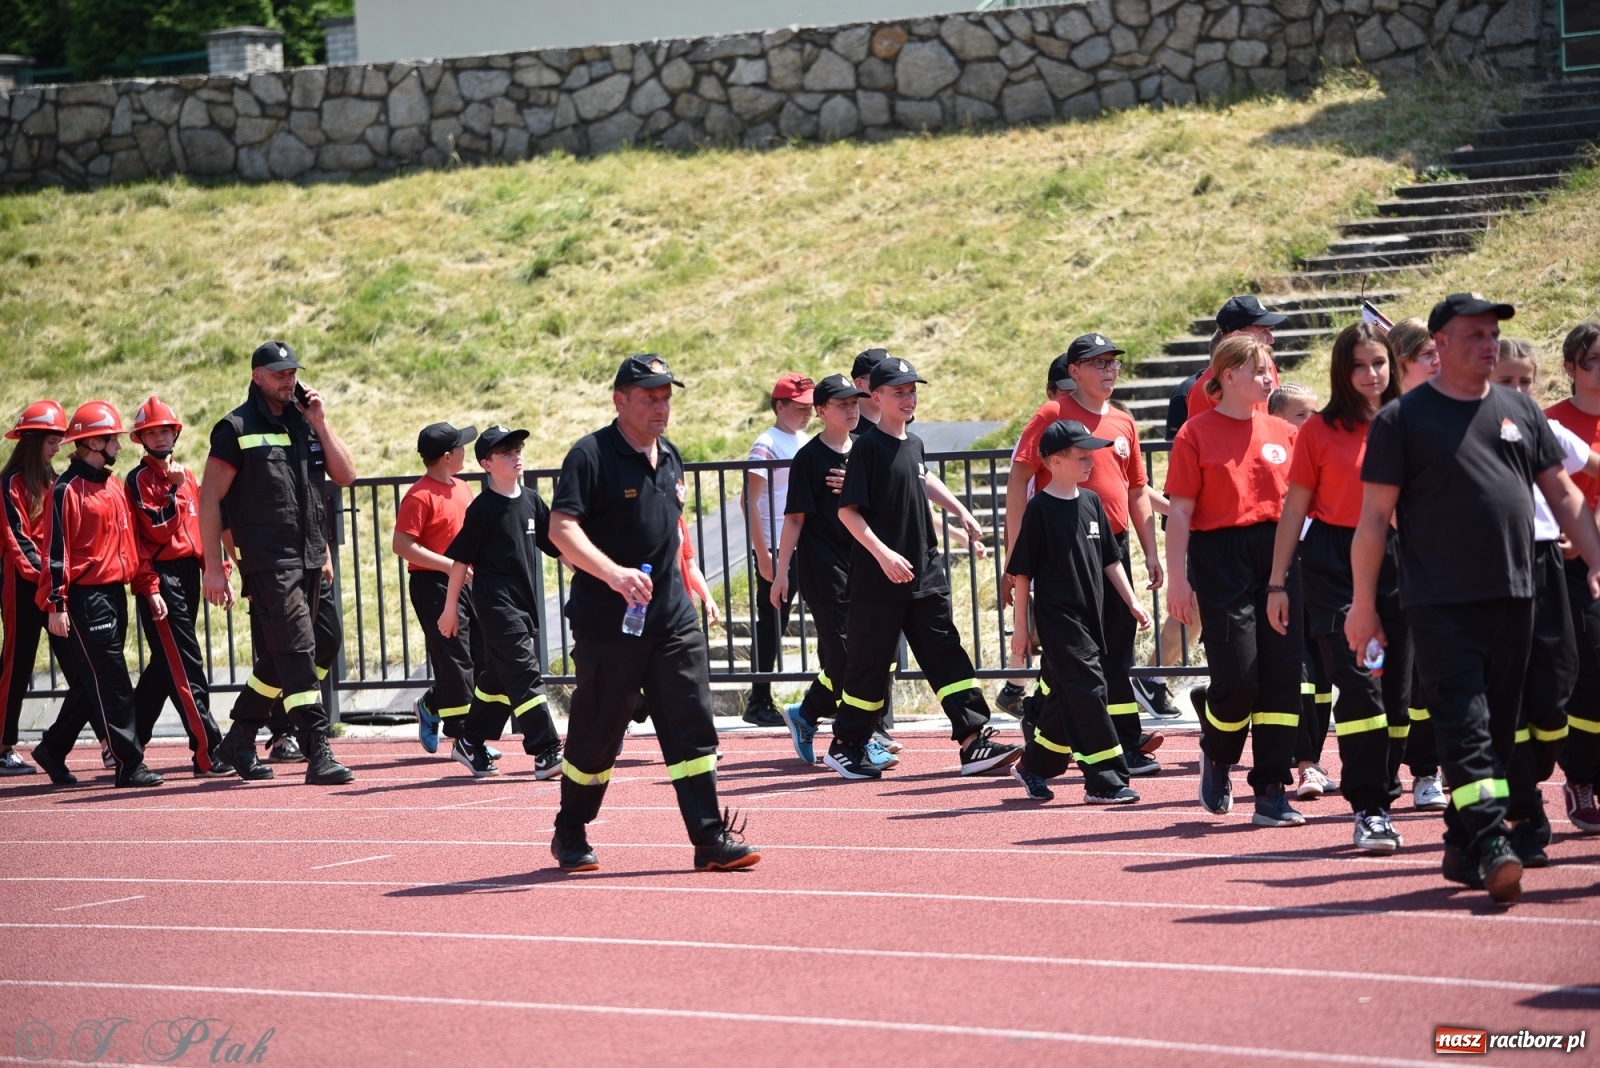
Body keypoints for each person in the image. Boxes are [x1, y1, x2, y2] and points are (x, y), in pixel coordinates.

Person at [1348, 294, 1600, 905]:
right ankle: (1491, 842)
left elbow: (1564, 495)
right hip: (1439, 603)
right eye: (1475, 335)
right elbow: (1375, 520)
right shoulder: (1402, 422)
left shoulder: (1519, 410)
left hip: (1521, 594)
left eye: (1493, 334)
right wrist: (1363, 605)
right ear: (1439, 345)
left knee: (1529, 719)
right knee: (1467, 726)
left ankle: (1462, 844)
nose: (1488, 344)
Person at [547, 354, 759, 873]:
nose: (660, 406)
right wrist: (614, 574)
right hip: (608, 626)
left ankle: (709, 839)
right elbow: (561, 530)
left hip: (672, 622)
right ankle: (570, 830)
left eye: (666, 396)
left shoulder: (671, 457)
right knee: (596, 737)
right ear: (620, 400)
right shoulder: (590, 456)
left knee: (692, 728)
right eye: (649, 397)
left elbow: (674, 530)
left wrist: (695, 584)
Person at [823, 355, 1019, 780]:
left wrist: (959, 510)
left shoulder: (913, 443)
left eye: (912, 391)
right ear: (874, 397)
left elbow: (921, 477)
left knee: (946, 654)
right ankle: (846, 745)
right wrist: (884, 554)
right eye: (899, 392)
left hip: (924, 573)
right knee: (870, 668)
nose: (908, 399)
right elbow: (848, 513)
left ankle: (973, 740)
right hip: (879, 579)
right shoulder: (867, 450)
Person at [1267, 324, 1408, 852]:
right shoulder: (1319, 432)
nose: (1371, 374)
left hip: (1401, 563)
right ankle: (1369, 805)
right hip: (1334, 566)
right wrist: (1277, 584)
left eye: (1379, 363)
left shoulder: (1410, 421)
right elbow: (1294, 510)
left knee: (1397, 695)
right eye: (1359, 365)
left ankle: (1386, 792)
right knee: (1361, 683)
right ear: (1341, 372)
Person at [201, 341, 358, 786]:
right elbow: (209, 497)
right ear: (257, 376)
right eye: (278, 373)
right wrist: (214, 566)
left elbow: (345, 475)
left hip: (310, 557)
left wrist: (321, 424)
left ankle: (240, 737)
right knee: (296, 651)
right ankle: (317, 747)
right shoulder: (235, 427)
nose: (288, 379)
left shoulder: (304, 422)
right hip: (269, 562)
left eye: (292, 372)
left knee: (317, 640)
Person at [1164, 335, 1305, 827]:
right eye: (1260, 369)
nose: (1270, 378)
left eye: (1271, 369)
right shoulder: (1194, 434)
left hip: (1280, 557)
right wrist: (1178, 581)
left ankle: (1270, 790)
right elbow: (1179, 512)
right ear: (1228, 376)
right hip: (1219, 557)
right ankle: (1218, 751)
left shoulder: (1285, 432)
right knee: (1240, 679)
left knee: (1283, 677)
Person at [1006, 335, 1163, 774]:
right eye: (1097, 363)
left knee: (1113, 652)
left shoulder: (1124, 422)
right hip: (1064, 552)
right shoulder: (1054, 413)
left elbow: (1136, 490)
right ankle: (1116, 747)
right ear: (1073, 372)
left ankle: (1071, 737)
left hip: (1111, 549)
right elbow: (1020, 479)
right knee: (1082, 658)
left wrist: (1151, 551)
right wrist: (1013, 554)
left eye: (1113, 362)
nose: (1109, 370)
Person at [1008, 419, 1151, 803]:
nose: (1090, 462)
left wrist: (1132, 601)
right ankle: (1106, 780)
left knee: (1064, 696)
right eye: (1081, 455)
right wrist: (1020, 629)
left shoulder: (1090, 502)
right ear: (1054, 461)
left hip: (1094, 616)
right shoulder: (1039, 510)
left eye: (1092, 454)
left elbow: (1111, 559)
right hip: (1059, 620)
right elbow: (1023, 575)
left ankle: (1032, 766)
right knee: (1090, 689)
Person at [1493, 337, 1593, 866]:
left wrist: (1589, 544)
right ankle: (1522, 805)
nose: (1518, 391)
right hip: (1489, 571)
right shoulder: (1465, 432)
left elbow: (1581, 480)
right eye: (1506, 381)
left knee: (1557, 691)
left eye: (1526, 381)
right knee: (1506, 693)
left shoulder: (1546, 429)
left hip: (1547, 565)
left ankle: (1527, 777)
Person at [30, 401, 165, 789]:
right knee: (113, 681)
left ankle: (53, 748)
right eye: (113, 440)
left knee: (94, 682)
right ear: (93, 442)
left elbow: (131, 543)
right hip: (85, 599)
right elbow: (56, 552)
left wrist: (147, 585)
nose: (119, 447)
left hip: (114, 594)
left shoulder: (111, 484)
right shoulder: (66, 489)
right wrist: (57, 605)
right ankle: (128, 763)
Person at [436, 425, 564, 779]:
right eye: (506, 452)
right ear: (487, 464)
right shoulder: (483, 509)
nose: (516, 455)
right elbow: (461, 561)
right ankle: (546, 749)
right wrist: (450, 610)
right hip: (496, 607)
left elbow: (558, 547)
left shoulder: (533, 500)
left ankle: (470, 741)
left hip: (524, 606)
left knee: (498, 680)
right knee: (524, 673)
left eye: (518, 448)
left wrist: (592, 574)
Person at [124, 397, 233, 777]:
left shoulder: (186, 473)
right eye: (151, 432)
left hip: (187, 572)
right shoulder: (138, 480)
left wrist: (215, 568)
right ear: (141, 438)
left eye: (164, 430)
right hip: (161, 577)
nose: (159, 437)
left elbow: (199, 527)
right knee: (186, 665)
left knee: (164, 665)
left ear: (175, 433)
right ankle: (208, 751)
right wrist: (172, 491)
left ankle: (125, 742)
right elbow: (157, 529)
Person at [771, 374, 872, 764]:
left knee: (854, 656)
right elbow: (794, 519)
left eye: (855, 402)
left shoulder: (865, 450)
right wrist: (781, 573)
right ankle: (859, 738)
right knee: (846, 656)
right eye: (842, 403)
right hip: (823, 569)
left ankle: (806, 714)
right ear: (821, 411)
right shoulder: (809, 459)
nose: (851, 409)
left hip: (863, 564)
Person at [1387, 316, 1448, 812]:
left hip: (1450, 558)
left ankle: (1434, 769)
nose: (1438, 361)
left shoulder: (1455, 407)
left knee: (1439, 673)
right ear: (1402, 362)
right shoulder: (1381, 417)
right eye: (1429, 354)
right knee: (1401, 676)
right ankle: (1403, 773)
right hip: (1394, 559)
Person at [393, 421, 481, 755]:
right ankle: (464, 738)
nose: (465, 451)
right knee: (456, 658)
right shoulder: (419, 495)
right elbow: (402, 545)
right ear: (447, 456)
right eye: (461, 446)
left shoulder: (463, 487)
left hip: (467, 581)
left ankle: (431, 705)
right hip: (434, 584)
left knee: (479, 657)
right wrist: (449, 566)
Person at [1268, 383, 1338, 800]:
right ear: (1276, 420)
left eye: (1316, 414)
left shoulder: (1324, 460)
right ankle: (1306, 764)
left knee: (1324, 675)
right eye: (1301, 415)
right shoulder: (1270, 464)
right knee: (1300, 675)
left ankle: (1313, 759)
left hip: (1324, 578)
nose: (1311, 423)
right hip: (1284, 580)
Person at [1545, 321, 1600, 835]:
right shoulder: (1550, 423)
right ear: (1570, 368)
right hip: (1569, 568)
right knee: (1588, 674)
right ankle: (1580, 777)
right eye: (1594, 359)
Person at [1, 400, 71, 776]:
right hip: (20, 583)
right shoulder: (10, 483)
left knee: (78, 663)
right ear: (31, 441)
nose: (58, 446)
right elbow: (18, 541)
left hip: (49, 586)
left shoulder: (53, 480)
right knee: (17, 662)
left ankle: (110, 742)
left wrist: (55, 585)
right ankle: (3, 745)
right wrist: (46, 585)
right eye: (51, 440)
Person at [740, 373, 814, 727]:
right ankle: (759, 699)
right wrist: (763, 553)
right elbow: (748, 501)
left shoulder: (803, 439)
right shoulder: (766, 443)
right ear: (779, 406)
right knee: (771, 623)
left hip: (804, 542)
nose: (807, 413)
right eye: (799, 407)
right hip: (775, 544)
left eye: (810, 407)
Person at [1186, 296, 1285, 420]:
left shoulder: (1268, 365)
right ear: (1237, 337)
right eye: (1263, 331)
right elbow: (1201, 436)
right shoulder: (1203, 392)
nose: (1271, 339)